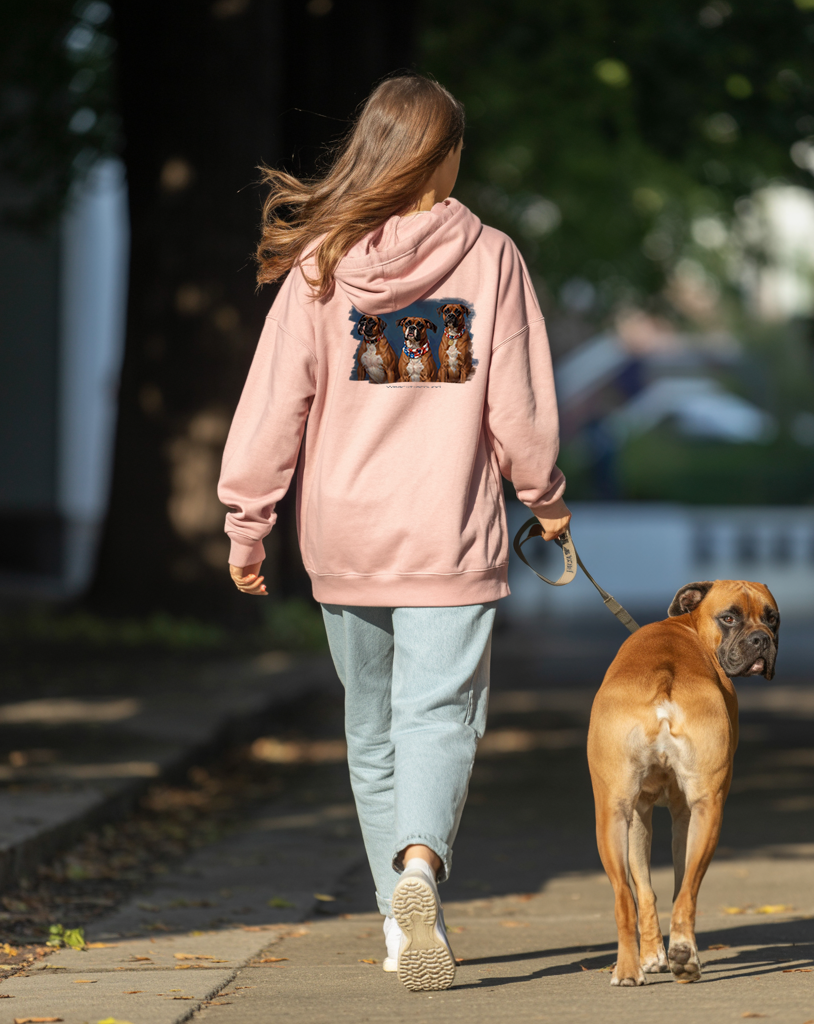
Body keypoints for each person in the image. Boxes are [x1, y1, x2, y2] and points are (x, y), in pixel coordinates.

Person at [217, 73, 570, 992]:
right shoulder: (491, 258)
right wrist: (546, 498)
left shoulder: (323, 265)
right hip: (447, 536)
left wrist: (247, 521)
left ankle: (399, 925)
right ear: (442, 155)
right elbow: (519, 407)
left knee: (371, 734)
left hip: (345, 541)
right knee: (438, 717)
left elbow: (271, 408)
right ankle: (421, 869)